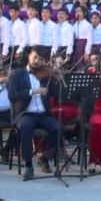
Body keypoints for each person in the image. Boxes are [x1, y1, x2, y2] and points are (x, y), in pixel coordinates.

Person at [8, 47, 62, 179]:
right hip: (25, 114)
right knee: (26, 127)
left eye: (41, 59)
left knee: (59, 128)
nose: (37, 61)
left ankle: (45, 158)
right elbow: (12, 96)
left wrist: (57, 81)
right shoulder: (17, 74)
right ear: (29, 56)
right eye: (35, 57)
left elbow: (57, 95)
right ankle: (28, 166)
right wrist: (33, 91)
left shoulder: (46, 76)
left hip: (42, 114)